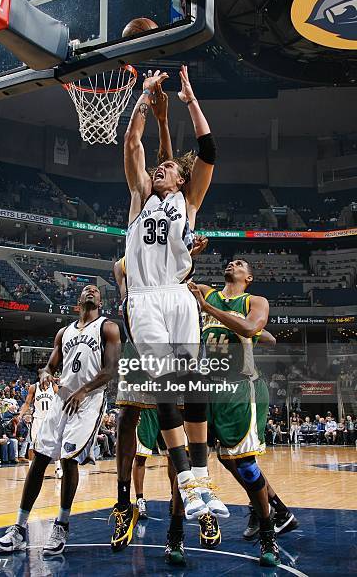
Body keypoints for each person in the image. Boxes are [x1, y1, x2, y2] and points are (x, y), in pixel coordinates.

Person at [113, 64, 226, 563]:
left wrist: (189, 100)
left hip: (180, 297)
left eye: (167, 169)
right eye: (158, 169)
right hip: (145, 296)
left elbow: (209, 152)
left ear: (180, 179)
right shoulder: (141, 197)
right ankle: (186, 479)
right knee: (162, 386)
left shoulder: (189, 201)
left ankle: (200, 486)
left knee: (193, 393)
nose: (159, 170)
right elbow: (134, 145)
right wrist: (142, 98)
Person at [0, 285, 121, 556]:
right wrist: (44, 375)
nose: (90, 291)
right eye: (86, 289)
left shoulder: (107, 327)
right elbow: (49, 366)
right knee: (38, 459)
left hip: (89, 400)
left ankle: (61, 524)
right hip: (62, 398)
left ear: (100, 300)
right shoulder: (65, 332)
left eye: (95, 290)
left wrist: (84, 389)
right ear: (78, 300)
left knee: (68, 459)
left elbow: (111, 370)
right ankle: (18, 528)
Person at [188, 259, 297, 567]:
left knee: (247, 464)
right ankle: (277, 510)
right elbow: (181, 275)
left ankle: (268, 536)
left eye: (240, 264)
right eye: (230, 261)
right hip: (212, 387)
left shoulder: (254, 301)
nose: (232, 264)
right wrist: (190, 250)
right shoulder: (208, 293)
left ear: (248, 277)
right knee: (223, 456)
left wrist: (212, 314)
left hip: (242, 389)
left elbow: (252, 327)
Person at [18, 375, 61, 477]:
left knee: (56, 444)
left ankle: (58, 469)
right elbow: (27, 403)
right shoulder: (34, 387)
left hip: (51, 420)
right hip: (38, 419)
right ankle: (31, 469)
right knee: (34, 444)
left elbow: (60, 402)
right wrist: (21, 414)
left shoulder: (54, 387)